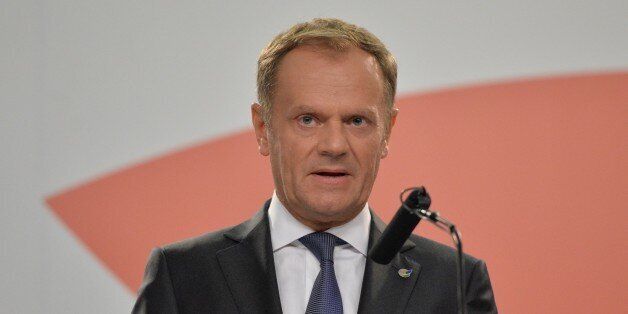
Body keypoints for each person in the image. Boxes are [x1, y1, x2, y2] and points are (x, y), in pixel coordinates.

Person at [133, 18, 497, 314]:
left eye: (357, 121)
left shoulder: (454, 281)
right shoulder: (184, 275)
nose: (334, 146)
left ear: (387, 131)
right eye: (308, 119)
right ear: (264, 129)